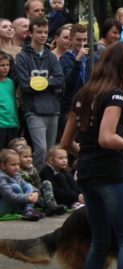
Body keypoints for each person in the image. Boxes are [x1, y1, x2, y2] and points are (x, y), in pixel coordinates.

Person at [59, 42, 123, 269]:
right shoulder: (115, 95)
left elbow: (66, 143)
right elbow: (107, 138)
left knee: (100, 242)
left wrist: (86, 155)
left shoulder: (82, 94)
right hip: (110, 174)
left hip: (87, 175)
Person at [15, 17, 65, 170]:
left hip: (53, 109)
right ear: (30, 33)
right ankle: (34, 181)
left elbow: (60, 80)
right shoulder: (22, 57)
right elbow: (25, 85)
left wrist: (38, 82)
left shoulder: (50, 56)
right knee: (41, 150)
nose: (43, 35)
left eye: (45, 32)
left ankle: (48, 184)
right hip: (34, 110)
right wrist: (48, 80)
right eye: (39, 32)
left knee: (51, 153)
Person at [14, 144, 66, 215]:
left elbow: (38, 182)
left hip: (37, 192)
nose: (29, 159)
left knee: (46, 182)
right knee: (30, 188)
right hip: (27, 196)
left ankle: (51, 204)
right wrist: (36, 193)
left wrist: (39, 191)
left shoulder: (33, 169)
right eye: (25, 157)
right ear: (17, 158)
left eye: (30, 156)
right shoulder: (16, 171)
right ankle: (47, 207)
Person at [0, 149, 44, 221]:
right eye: (13, 164)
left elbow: (26, 184)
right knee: (15, 187)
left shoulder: (16, 174)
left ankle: (28, 210)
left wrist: (36, 192)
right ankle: (26, 210)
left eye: (18, 164)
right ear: (3, 166)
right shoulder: (1, 177)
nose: (17, 167)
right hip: (2, 209)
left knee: (28, 186)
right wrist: (28, 197)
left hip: (14, 205)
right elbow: (9, 196)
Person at [0, 52, 18, 149]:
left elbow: (13, 103)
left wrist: (17, 122)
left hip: (12, 125)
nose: (6, 68)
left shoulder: (10, 82)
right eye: (2, 65)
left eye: (7, 65)